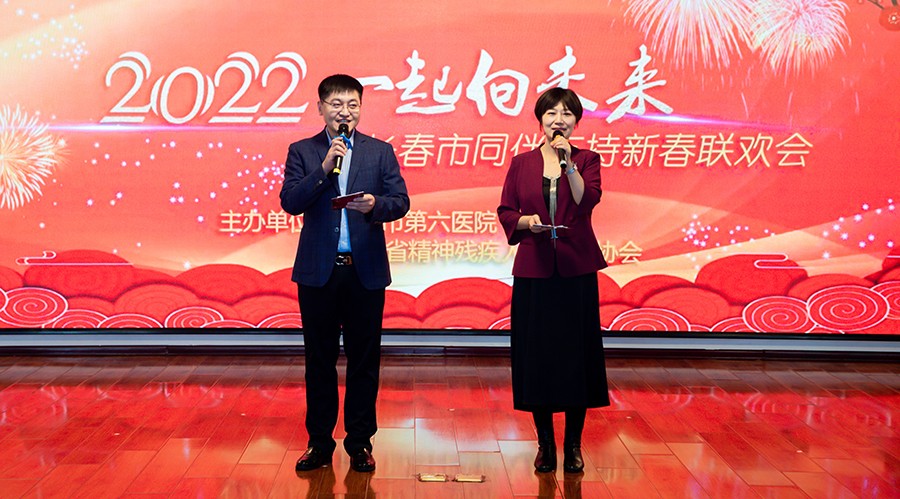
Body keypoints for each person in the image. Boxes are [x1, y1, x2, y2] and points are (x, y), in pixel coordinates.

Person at [280, 74, 410, 473]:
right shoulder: (303, 151)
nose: (345, 112)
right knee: (318, 360)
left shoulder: (380, 152)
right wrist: (324, 168)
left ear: (360, 108)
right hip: (318, 274)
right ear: (320, 108)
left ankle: (359, 443)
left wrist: (375, 205)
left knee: (364, 360)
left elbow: (400, 201)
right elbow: (291, 202)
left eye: (352, 104)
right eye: (336, 104)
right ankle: (319, 443)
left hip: (363, 272)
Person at [496, 87, 610, 474]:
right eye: (551, 113)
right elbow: (506, 210)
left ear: (575, 122)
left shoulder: (587, 159)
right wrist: (525, 222)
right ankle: (545, 443)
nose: (558, 119)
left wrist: (569, 164)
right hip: (535, 270)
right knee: (537, 358)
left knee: (577, 356)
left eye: (566, 113)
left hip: (576, 270)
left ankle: (573, 445)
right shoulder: (521, 163)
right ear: (540, 119)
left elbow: (585, 200)